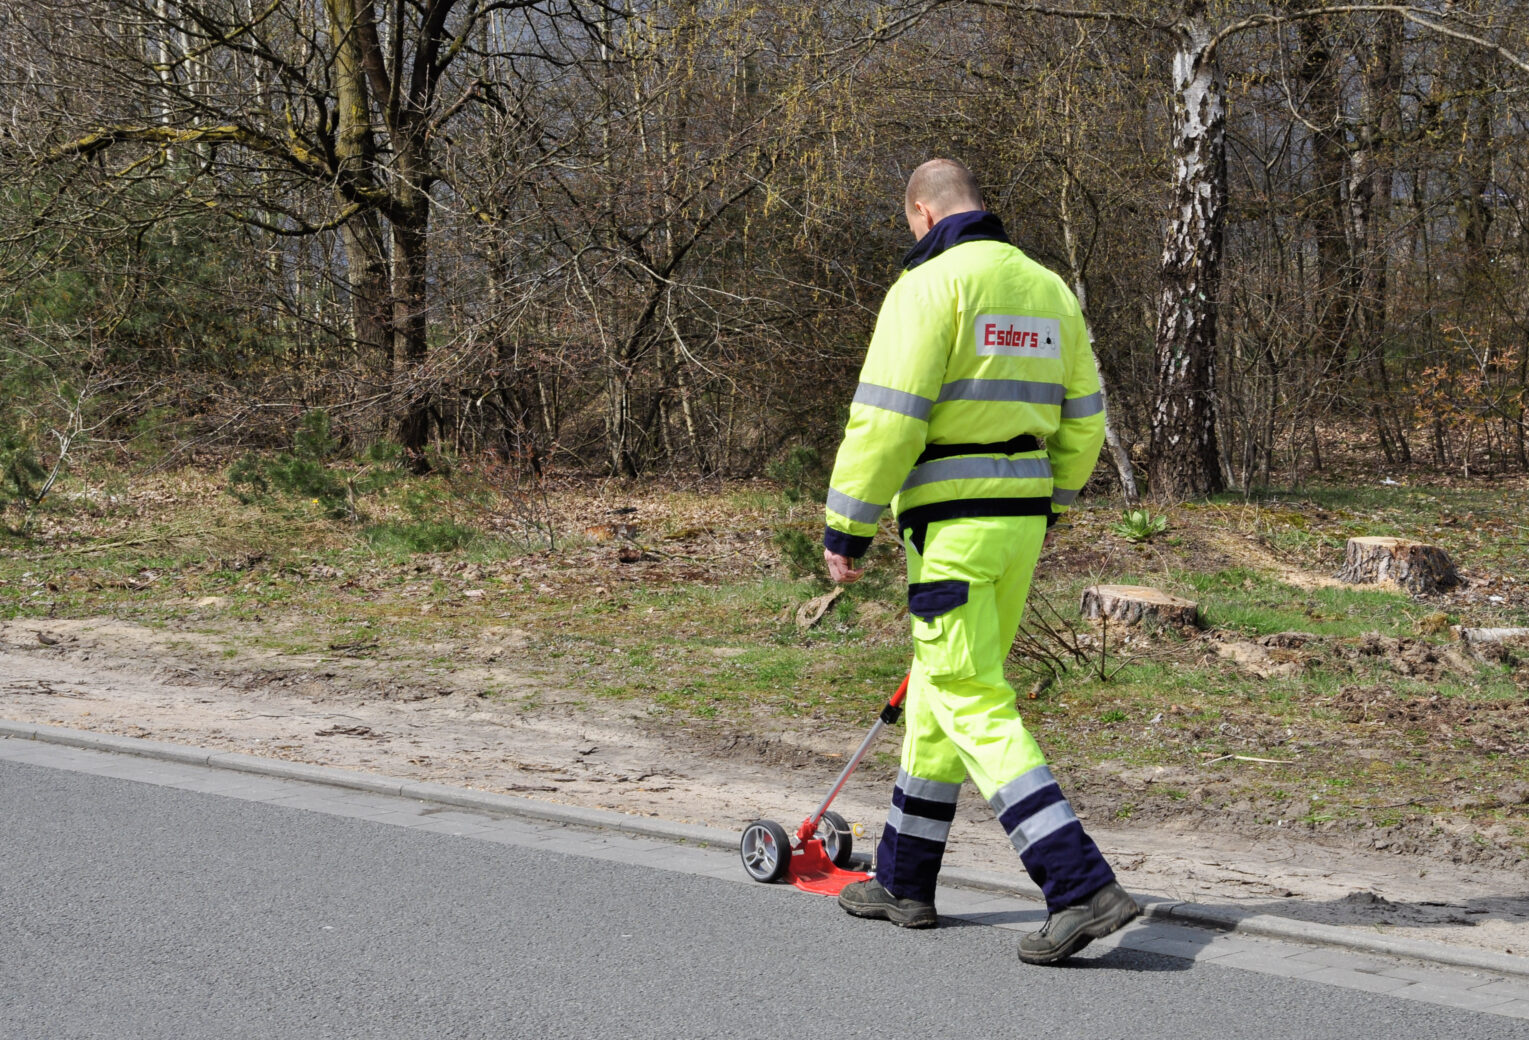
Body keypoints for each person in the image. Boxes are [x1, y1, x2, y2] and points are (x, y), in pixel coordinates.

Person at [822, 158, 1138, 965]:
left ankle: (1078, 886)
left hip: (951, 522)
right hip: (1020, 519)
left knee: (967, 694)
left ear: (923, 214)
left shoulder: (928, 286)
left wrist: (846, 525)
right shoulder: (1047, 289)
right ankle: (903, 881)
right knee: (939, 691)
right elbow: (1085, 415)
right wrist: (1052, 498)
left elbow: (887, 419)